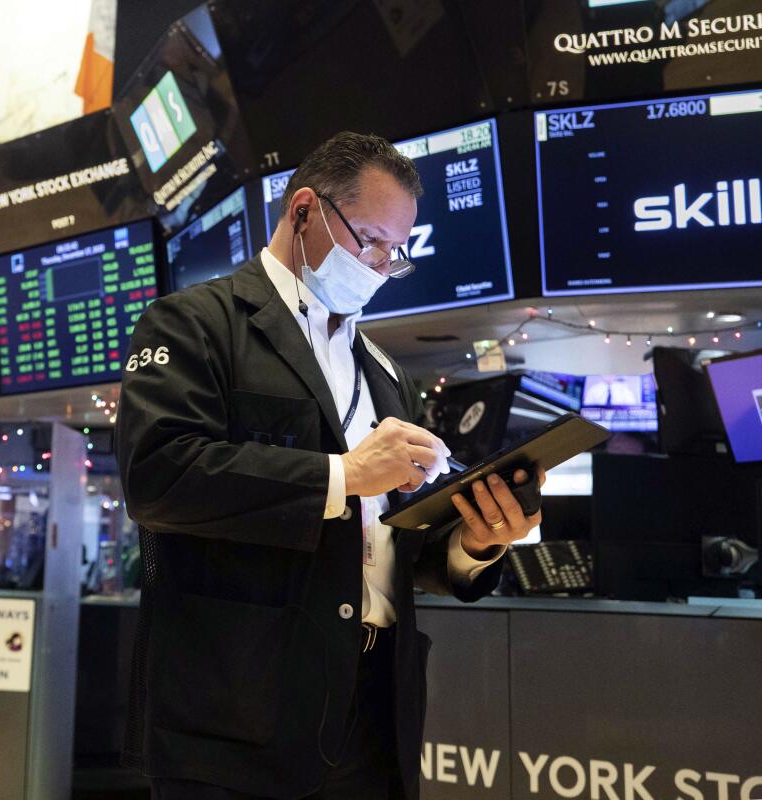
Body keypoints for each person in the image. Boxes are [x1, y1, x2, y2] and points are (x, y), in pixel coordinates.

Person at [115, 132, 545, 800]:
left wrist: (471, 544)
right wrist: (342, 476)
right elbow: (159, 475)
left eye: (394, 253)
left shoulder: (383, 369)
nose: (379, 264)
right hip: (241, 712)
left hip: (375, 709)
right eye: (369, 239)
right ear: (305, 210)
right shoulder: (195, 323)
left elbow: (385, 539)